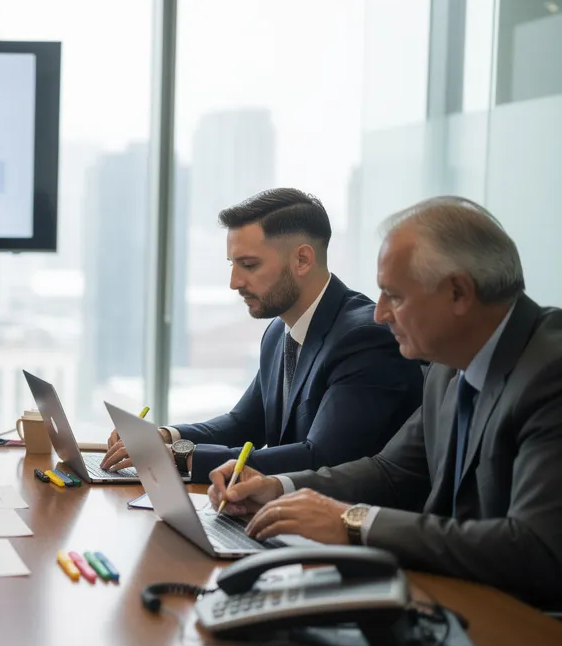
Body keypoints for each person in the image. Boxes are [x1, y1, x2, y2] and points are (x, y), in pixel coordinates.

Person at [211, 197, 562, 609]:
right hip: (454, 597)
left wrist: (354, 522)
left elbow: (535, 550)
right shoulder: (449, 366)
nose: (379, 314)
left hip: (527, 625)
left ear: (459, 292)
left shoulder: (550, 373)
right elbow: (391, 470)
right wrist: (279, 489)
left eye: (394, 296)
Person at [102, 188, 424, 483]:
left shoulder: (364, 338)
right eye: (232, 264)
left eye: (249, 265)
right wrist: (166, 437)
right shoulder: (278, 332)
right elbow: (243, 424)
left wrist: (181, 458)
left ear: (302, 260)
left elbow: (320, 458)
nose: (234, 282)